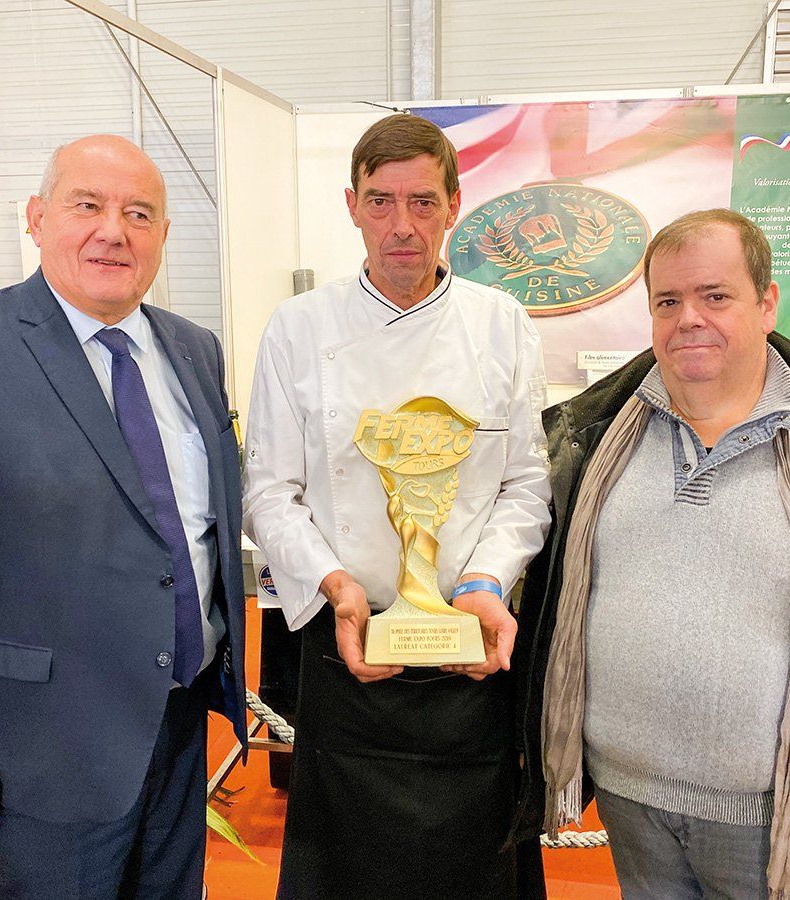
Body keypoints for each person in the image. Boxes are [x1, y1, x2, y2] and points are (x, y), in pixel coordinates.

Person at [513, 208, 790, 900]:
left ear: (767, 303)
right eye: (668, 301)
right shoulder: (591, 436)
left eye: (715, 296)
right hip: (628, 804)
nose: (689, 318)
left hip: (775, 821)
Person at [0, 134, 246, 899]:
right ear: (36, 218)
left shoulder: (193, 349)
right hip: (41, 750)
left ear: (163, 237)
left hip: (177, 723)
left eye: (140, 213)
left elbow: (195, 527)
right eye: (88, 205)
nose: (114, 230)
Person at [242, 113, 552, 899]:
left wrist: (485, 583)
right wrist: (335, 585)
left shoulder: (502, 324)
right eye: (381, 202)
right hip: (347, 650)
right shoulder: (301, 328)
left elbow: (525, 484)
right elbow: (270, 492)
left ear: (454, 204)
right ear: (352, 205)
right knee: (343, 870)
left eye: (422, 202)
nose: (402, 226)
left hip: (470, 654)